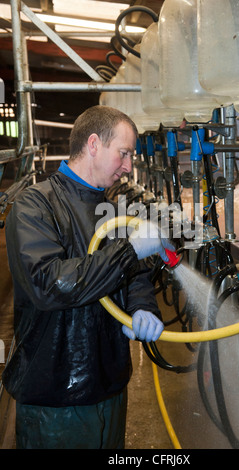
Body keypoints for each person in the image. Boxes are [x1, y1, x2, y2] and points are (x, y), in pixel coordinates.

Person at [3, 105, 174, 449]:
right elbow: (51, 284)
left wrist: (143, 307)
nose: (128, 167)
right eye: (123, 153)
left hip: (110, 386)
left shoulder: (114, 210)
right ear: (93, 144)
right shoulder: (34, 205)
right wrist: (128, 250)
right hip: (55, 396)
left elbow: (135, 276)